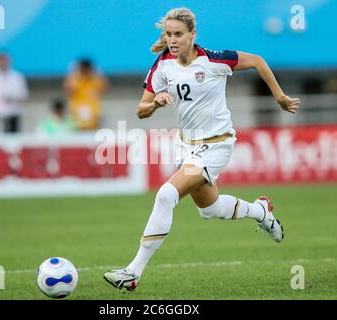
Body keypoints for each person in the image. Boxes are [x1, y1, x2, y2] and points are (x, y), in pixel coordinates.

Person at [103, 8, 300, 291]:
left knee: (166, 195)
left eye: (178, 34)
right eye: (169, 34)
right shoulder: (163, 65)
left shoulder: (214, 60)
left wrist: (279, 97)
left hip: (217, 145)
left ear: (192, 35)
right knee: (210, 209)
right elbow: (141, 111)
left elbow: (257, 61)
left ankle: (132, 272)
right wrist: (156, 103)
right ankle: (260, 211)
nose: (172, 40)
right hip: (186, 147)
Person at [64, 59, 107, 131]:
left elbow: (104, 89)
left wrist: (99, 73)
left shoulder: (95, 80)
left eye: (86, 69)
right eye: (82, 69)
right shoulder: (75, 79)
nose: (84, 71)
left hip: (93, 119)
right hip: (77, 119)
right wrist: (71, 73)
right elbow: (68, 90)